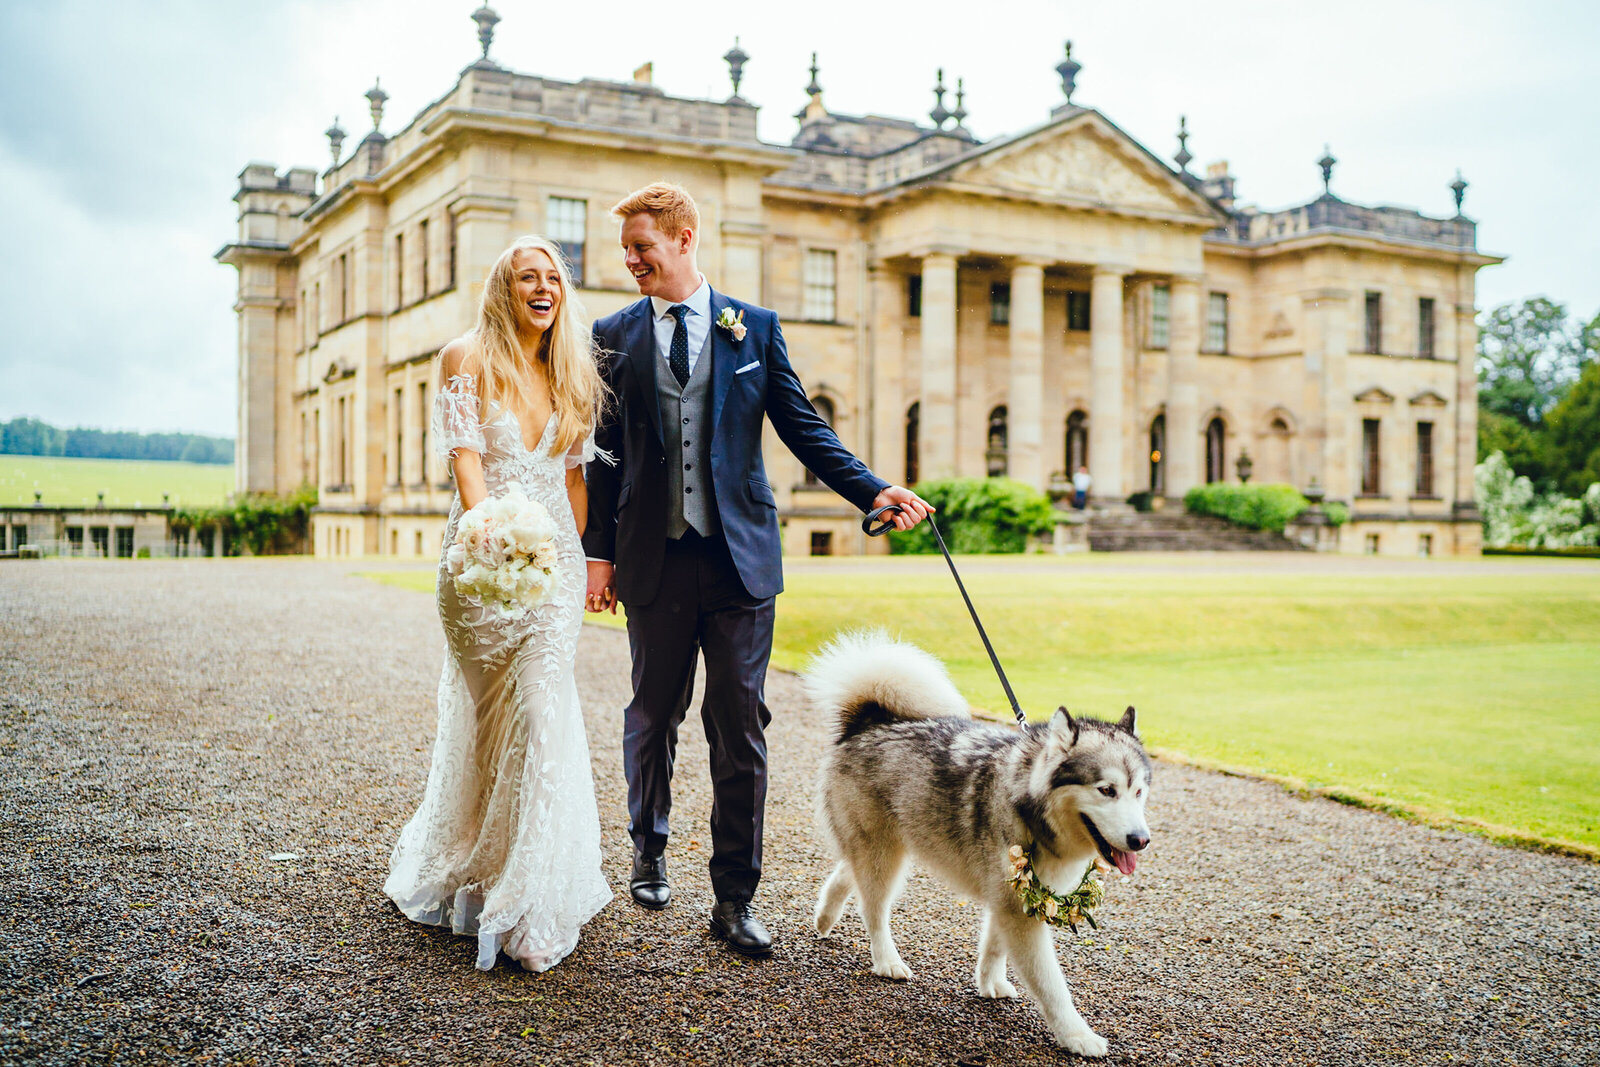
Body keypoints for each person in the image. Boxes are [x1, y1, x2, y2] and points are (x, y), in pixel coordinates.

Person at [582, 182, 931, 957]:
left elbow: (806, 429)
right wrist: (596, 554)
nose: (630, 260)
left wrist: (875, 489)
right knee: (653, 714)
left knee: (740, 727)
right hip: (653, 558)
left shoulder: (755, 330)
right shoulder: (611, 334)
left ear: (684, 238)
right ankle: (649, 845)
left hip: (740, 562)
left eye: (641, 246)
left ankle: (735, 897)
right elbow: (602, 453)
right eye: (625, 249)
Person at [385, 235, 612, 972]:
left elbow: (574, 484)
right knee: (488, 724)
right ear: (504, 288)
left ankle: (530, 899)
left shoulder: (572, 370)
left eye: (553, 277)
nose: (543, 287)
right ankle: (475, 868)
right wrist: (489, 535)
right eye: (527, 277)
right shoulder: (465, 357)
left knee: (544, 712)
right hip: (480, 561)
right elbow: (465, 458)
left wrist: (578, 564)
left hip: (555, 569)